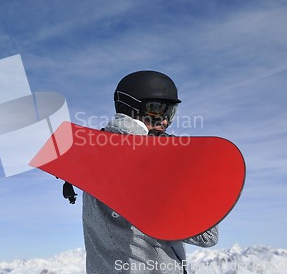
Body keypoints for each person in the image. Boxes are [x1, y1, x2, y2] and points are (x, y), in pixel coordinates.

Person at [82, 71, 219, 274]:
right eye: (156, 109)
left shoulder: (93, 157)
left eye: (171, 113)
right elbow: (207, 235)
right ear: (131, 108)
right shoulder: (150, 166)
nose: (165, 121)